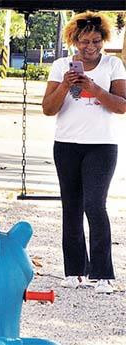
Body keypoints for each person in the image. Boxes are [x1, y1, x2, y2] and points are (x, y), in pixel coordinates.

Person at [42, 11, 126, 294]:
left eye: (96, 41)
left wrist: (93, 87)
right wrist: (66, 84)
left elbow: (121, 105)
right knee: (72, 207)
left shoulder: (113, 65)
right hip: (66, 145)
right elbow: (48, 109)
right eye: (84, 42)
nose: (90, 47)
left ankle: (103, 274)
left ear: (104, 39)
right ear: (74, 41)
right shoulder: (60, 66)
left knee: (95, 205)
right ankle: (75, 271)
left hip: (101, 146)